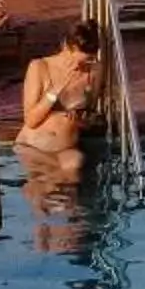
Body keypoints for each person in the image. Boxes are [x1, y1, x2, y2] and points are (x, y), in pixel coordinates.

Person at [15, 19, 103, 190]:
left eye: (89, 60)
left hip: (65, 148)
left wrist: (82, 122)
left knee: (72, 176)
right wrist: (56, 89)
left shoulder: (94, 71)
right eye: (79, 60)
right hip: (33, 146)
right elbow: (31, 120)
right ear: (67, 47)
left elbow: (90, 114)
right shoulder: (40, 67)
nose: (82, 66)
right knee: (44, 196)